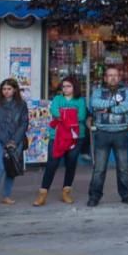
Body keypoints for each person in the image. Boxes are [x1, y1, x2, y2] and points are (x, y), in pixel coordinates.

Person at [87, 67, 128, 207]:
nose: (113, 78)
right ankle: (94, 196)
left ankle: (126, 195)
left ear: (119, 77)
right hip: (102, 133)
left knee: (123, 168)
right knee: (99, 168)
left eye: (115, 75)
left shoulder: (127, 91)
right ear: (105, 77)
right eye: (110, 75)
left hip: (121, 133)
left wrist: (108, 108)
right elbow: (95, 103)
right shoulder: (98, 91)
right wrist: (115, 104)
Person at [34, 76, 87, 206]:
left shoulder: (80, 100)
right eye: (63, 86)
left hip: (75, 137)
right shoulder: (57, 99)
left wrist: (63, 114)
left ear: (74, 87)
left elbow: (81, 116)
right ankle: (43, 193)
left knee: (71, 164)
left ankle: (66, 192)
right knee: (51, 164)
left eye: (68, 86)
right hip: (57, 136)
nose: (65, 89)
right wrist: (70, 114)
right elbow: (54, 112)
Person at [0, 78, 29, 207]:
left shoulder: (22, 105)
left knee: (11, 168)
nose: (6, 91)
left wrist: (14, 141)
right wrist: (6, 141)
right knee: (0, 167)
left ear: (14, 89)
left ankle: (6, 195)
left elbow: (24, 123)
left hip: (16, 139)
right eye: (4, 89)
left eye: (9, 89)